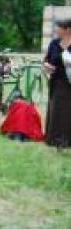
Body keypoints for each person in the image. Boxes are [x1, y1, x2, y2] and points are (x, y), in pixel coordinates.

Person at [44, 17, 71, 148]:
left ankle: (66, 140)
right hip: (56, 81)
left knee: (68, 111)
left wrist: (64, 55)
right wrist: (46, 65)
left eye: (59, 28)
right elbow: (48, 59)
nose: (56, 30)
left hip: (69, 82)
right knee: (55, 109)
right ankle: (54, 139)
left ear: (67, 30)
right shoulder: (54, 43)